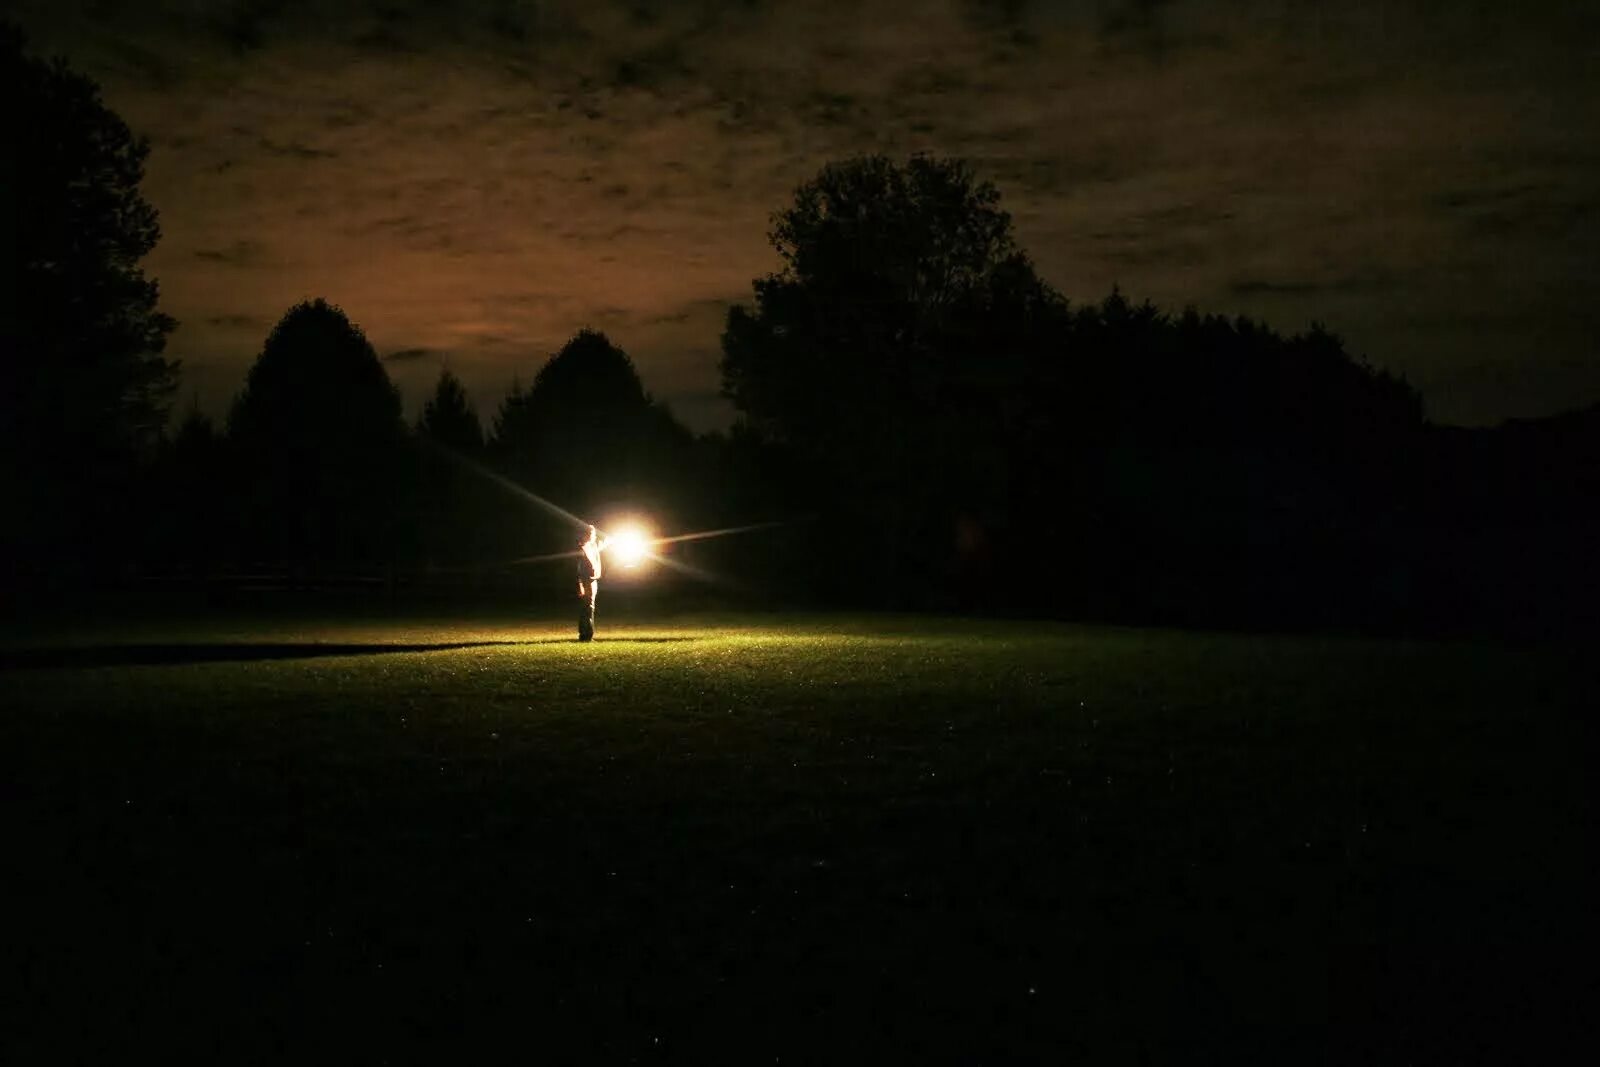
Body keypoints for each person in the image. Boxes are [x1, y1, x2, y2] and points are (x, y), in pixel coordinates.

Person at [576, 525, 608, 642]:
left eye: (593, 533)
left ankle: (586, 635)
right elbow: (577, 570)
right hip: (586, 582)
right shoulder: (581, 549)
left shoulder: (592, 546)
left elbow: (600, 546)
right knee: (587, 608)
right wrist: (580, 585)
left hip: (592, 581)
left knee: (589, 607)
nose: (593, 536)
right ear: (586, 534)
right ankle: (586, 636)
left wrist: (609, 541)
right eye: (591, 533)